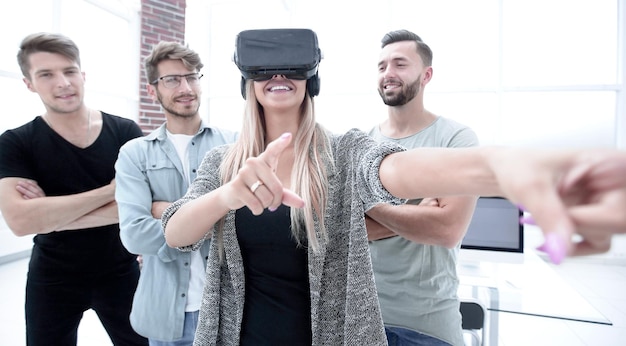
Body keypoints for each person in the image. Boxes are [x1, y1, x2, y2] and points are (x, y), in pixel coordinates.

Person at [161, 28, 626, 345]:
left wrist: (504, 167)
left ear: (311, 79)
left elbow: (395, 172)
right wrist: (228, 195)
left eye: (291, 70)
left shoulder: (345, 151)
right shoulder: (223, 161)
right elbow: (177, 232)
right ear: (248, 82)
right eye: (265, 71)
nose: (278, 79)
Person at [0, 32, 147, 345]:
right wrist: (109, 192)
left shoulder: (125, 132)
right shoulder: (15, 143)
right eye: (46, 75)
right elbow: (20, 222)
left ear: (82, 75)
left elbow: (144, 206)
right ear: (29, 83)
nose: (63, 82)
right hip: (53, 277)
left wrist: (49, 216)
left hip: (121, 272)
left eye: (69, 71)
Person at [115, 41, 237, 345]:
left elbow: (250, 222)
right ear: (152, 89)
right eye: (172, 79)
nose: (186, 87)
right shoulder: (135, 154)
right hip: (165, 314)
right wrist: (215, 216)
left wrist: (167, 213)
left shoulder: (234, 145)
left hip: (227, 308)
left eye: (192, 77)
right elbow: (134, 236)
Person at [367, 29, 478, 346]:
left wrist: (371, 207)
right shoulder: (361, 144)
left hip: (428, 327)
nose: (389, 73)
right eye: (382, 66)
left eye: (400, 64)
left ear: (426, 74)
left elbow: (447, 229)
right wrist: (417, 211)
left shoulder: (456, 141)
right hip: (363, 322)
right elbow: (345, 229)